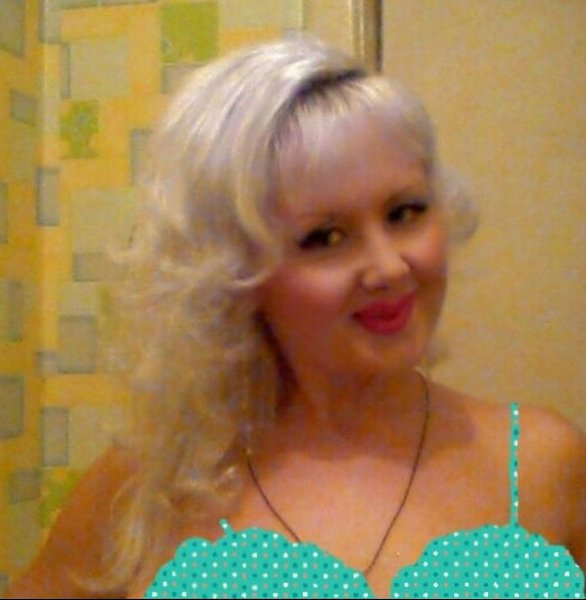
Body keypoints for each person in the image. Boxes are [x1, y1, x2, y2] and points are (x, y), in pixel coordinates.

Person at [6, 35, 585, 600]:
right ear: (237, 272)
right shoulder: (151, 487)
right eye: (324, 238)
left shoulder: (539, 461)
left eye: (405, 212)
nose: (388, 267)